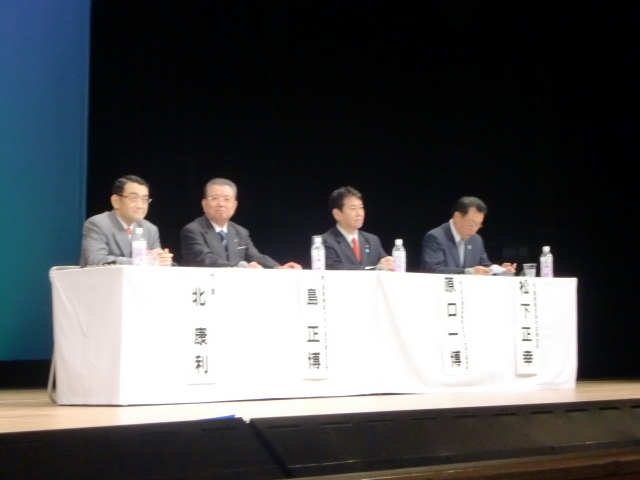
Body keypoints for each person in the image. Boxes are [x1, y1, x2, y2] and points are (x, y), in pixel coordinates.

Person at [180, 178, 301, 269]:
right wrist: (239, 268)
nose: (221, 204)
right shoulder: (192, 230)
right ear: (204, 204)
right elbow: (204, 259)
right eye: (215, 198)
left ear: (234, 205)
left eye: (227, 199)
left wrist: (278, 268)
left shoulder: (240, 232)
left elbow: (255, 257)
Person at [80, 175, 173, 267]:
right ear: (116, 201)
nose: (140, 205)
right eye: (134, 198)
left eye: (144, 199)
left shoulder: (150, 229)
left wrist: (163, 261)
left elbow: (155, 263)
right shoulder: (97, 224)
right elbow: (97, 261)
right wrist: (142, 262)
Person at [421, 196, 516, 275]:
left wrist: (499, 270)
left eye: (479, 225)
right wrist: (469, 272)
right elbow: (433, 269)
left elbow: (484, 266)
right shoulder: (436, 237)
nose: (475, 229)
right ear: (457, 217)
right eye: (471, 224)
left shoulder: (476, 240)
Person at [321, 186, 394, 271]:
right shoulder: (325, 241)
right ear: (337, 214)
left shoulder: (372, 241)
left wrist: (389, 264)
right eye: (353, 208)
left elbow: (385, 266)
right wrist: (375, 269)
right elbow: (335, 269)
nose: (359, 213)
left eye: (361, 207)